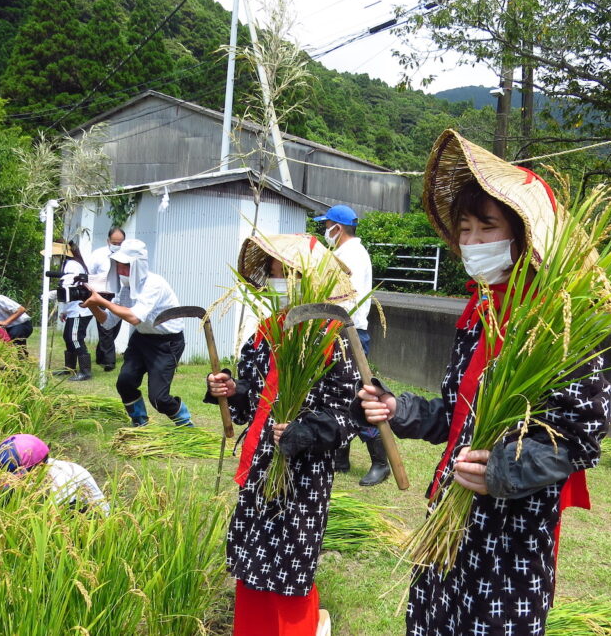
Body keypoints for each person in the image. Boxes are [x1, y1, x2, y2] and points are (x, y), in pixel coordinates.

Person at [357, 130, 611, 636]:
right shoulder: (478, 312)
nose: (472, 242)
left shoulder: (559, 322)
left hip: (512, 530)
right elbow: (456, 414)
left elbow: (581, 437)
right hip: (452, 511)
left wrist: (501, 469)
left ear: (523, 234)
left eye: (487, 227)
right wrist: (397, 408)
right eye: (465, 229)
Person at [204, 234, 357, 636]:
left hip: (302, 474)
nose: (279, 284)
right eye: (274, 275)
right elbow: (251, 400)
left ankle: (302, 629)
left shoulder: (332, 338)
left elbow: (348, 416)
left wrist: (303, 431)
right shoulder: (264, 333)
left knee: (289, 564)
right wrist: (229, 389)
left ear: (313, 283)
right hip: (259, 465)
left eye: (287, 275)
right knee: (253, 557)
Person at [82, 239, 193, 427]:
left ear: (138, 265)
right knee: (125, 382)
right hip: (142, 338)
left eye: (126, 265)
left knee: (159, 398)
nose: (121, 270)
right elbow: (108, 322)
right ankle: (140, 422)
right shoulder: (126, 289)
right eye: (119, 265)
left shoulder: (154, 284)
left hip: (167, 343)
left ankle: (185, 422)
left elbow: (134, 318)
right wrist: (93, 305)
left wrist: (104, 301)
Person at [315, 204, 386, 487]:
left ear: (337, 228)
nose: (324, 231)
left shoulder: (353, 255)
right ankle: (340, 457)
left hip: (349, 333)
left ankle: (381, 462)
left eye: (326, 226)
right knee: (336, 394)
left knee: (357, 396)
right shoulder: (344, 252)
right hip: (338, 330)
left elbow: (345, 298)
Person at [0, 434, 110, 515]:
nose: (16, 479)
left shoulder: (62, 479)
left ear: (40, 466)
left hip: (90, 516)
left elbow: (50, 517)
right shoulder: (38, 470)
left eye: (21, 475)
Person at [86, 226, 126, 371]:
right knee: (105, 329)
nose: (117, 246)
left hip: (120, 295)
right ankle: (109, 362)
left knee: (114, 328)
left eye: (120, 243)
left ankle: (101, 355)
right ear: (108, 241)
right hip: (102, 294)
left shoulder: (126, 255)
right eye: (114, 243)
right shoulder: (98, 255)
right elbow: (89, 273)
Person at [57, 241, 94, 381]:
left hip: (80, 309)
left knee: (75, 338)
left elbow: (69, 288)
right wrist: (65, 311)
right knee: (68, 337)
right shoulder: (71, 264)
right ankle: (69, 368)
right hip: (73, 309)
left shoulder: (72, 265)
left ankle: (85, 371)